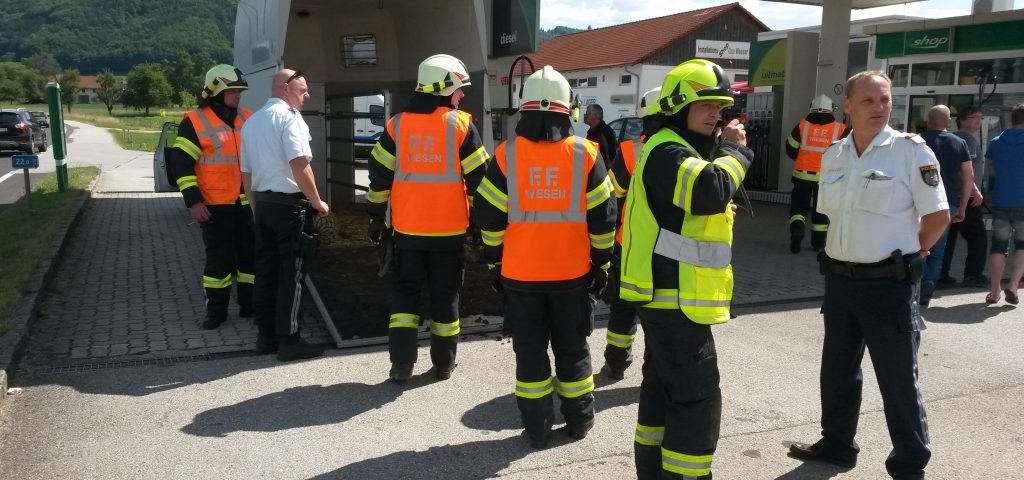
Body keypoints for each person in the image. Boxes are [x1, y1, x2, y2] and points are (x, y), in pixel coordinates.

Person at [788, 71, 949, 480]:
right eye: (868, 101)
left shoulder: (911, 151)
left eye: (885, 100)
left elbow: (938, 216)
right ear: (848, 106)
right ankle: (838, 446)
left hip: (890, 284)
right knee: (838, 371)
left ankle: (909, 464)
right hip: (840, 281)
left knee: (897, 379)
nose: (879, 108)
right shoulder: (835, 154)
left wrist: (917, 251)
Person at [618, 59, 752, 480]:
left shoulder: (682, 150)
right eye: (706, 105)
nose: (717, 113)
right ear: (678, 106)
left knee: (661, 394)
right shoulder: (666, 150)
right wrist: (736, 151)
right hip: (675, 304)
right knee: (696, 400)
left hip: (671, 302)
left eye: (721, 106)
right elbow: (707, 192)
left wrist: (718, 152)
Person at [474, 65, 616, 449]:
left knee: (530, 354)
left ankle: (537, 428)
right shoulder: (587, 154)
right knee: (572, 350)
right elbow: (604, 219)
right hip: (573, 278)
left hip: (520, 278)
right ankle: (580, 421)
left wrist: (494, 263)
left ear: (524, 109)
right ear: (566, 109)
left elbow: (488, 217)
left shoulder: (506, 155)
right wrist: (601, 264)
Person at [366, 54, 490, 382]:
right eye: (459, 89)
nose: (461, 95)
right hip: (449, 234)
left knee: (404, 297)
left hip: (406, 232)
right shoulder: (461, 125)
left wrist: (375, 217)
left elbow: (378, 175)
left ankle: (401, 365)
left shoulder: (398, 125)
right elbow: (482, 182)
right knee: (445, 296)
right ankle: (444, 364)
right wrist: (481, 224)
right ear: (443, 88)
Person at [240, 68, 329, 361]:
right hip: (288, 207)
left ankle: (265, 337)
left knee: (266, 272)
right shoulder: (290, 119)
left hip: (263, 206)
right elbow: (300, 165)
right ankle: (290, 341)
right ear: (286, 88)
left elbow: (246, 172)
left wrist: (255, 208)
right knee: (293, 274)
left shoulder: (251, 123)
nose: (306, 96)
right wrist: (317, 202)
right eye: (302, 91)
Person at [168, 64, 255, 330]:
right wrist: (194, 202)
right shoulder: (194, 122)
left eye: (240, 91)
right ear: (215, 91)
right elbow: (180, 166)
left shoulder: (248, 118)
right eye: (233, 91)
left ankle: (249, 307)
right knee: (219, 263)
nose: (238, 96)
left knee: (250, 260)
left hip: (246, 205)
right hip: (214, 207)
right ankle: (216, 313)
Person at [601, 86, 660, 381]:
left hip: (630, 244)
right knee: (659, 314)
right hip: (669, 249)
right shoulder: (691, 151)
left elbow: (611, 196)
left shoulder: (630, 151)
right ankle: (656, 369)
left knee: (624, 306)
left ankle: (616, 363)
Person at [919, 105, 975, 306]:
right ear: (948, 122)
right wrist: (962, 206)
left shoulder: (917, 141)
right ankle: (927, 287)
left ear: (928, 120)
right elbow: (969, 177)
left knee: (915, 245)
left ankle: (922, 282)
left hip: (918, 203)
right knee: (938, 249)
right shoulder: (959, 143)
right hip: (946, 203)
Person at [785, 94, 848, 254]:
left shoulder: (802, 126)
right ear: (832, 109)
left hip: (802, 176)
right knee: (822, 210)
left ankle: (797, 232)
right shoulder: (840, 129)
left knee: (799, 207)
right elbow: (848, 154)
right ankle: (819, 243)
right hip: (828, 178)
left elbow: (790, 148)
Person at [940, 106, 988, 287]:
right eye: (974, 117)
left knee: (949, 237)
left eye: (980, 118)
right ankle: (973, 275)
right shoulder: (967, 140)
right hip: (965, 196)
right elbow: (964, 171)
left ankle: (942, 274)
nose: (978, 121)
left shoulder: (952, 139)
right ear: (962, 120)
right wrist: (975, 191)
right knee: (978, 237)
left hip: (952, 195)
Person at [984, 102, 1024, 305]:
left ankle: (994, 291)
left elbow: (991, 171)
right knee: (1022, 246)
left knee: (998, 246)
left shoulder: (996, 142)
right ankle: (1014, 287)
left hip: (1001, 200)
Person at [584, 104, 618, 168]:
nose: (584, 115)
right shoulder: (591, 131)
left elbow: (610, 156)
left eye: (587, 113)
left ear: (595, 116)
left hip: (603, 173)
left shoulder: (605, 132)